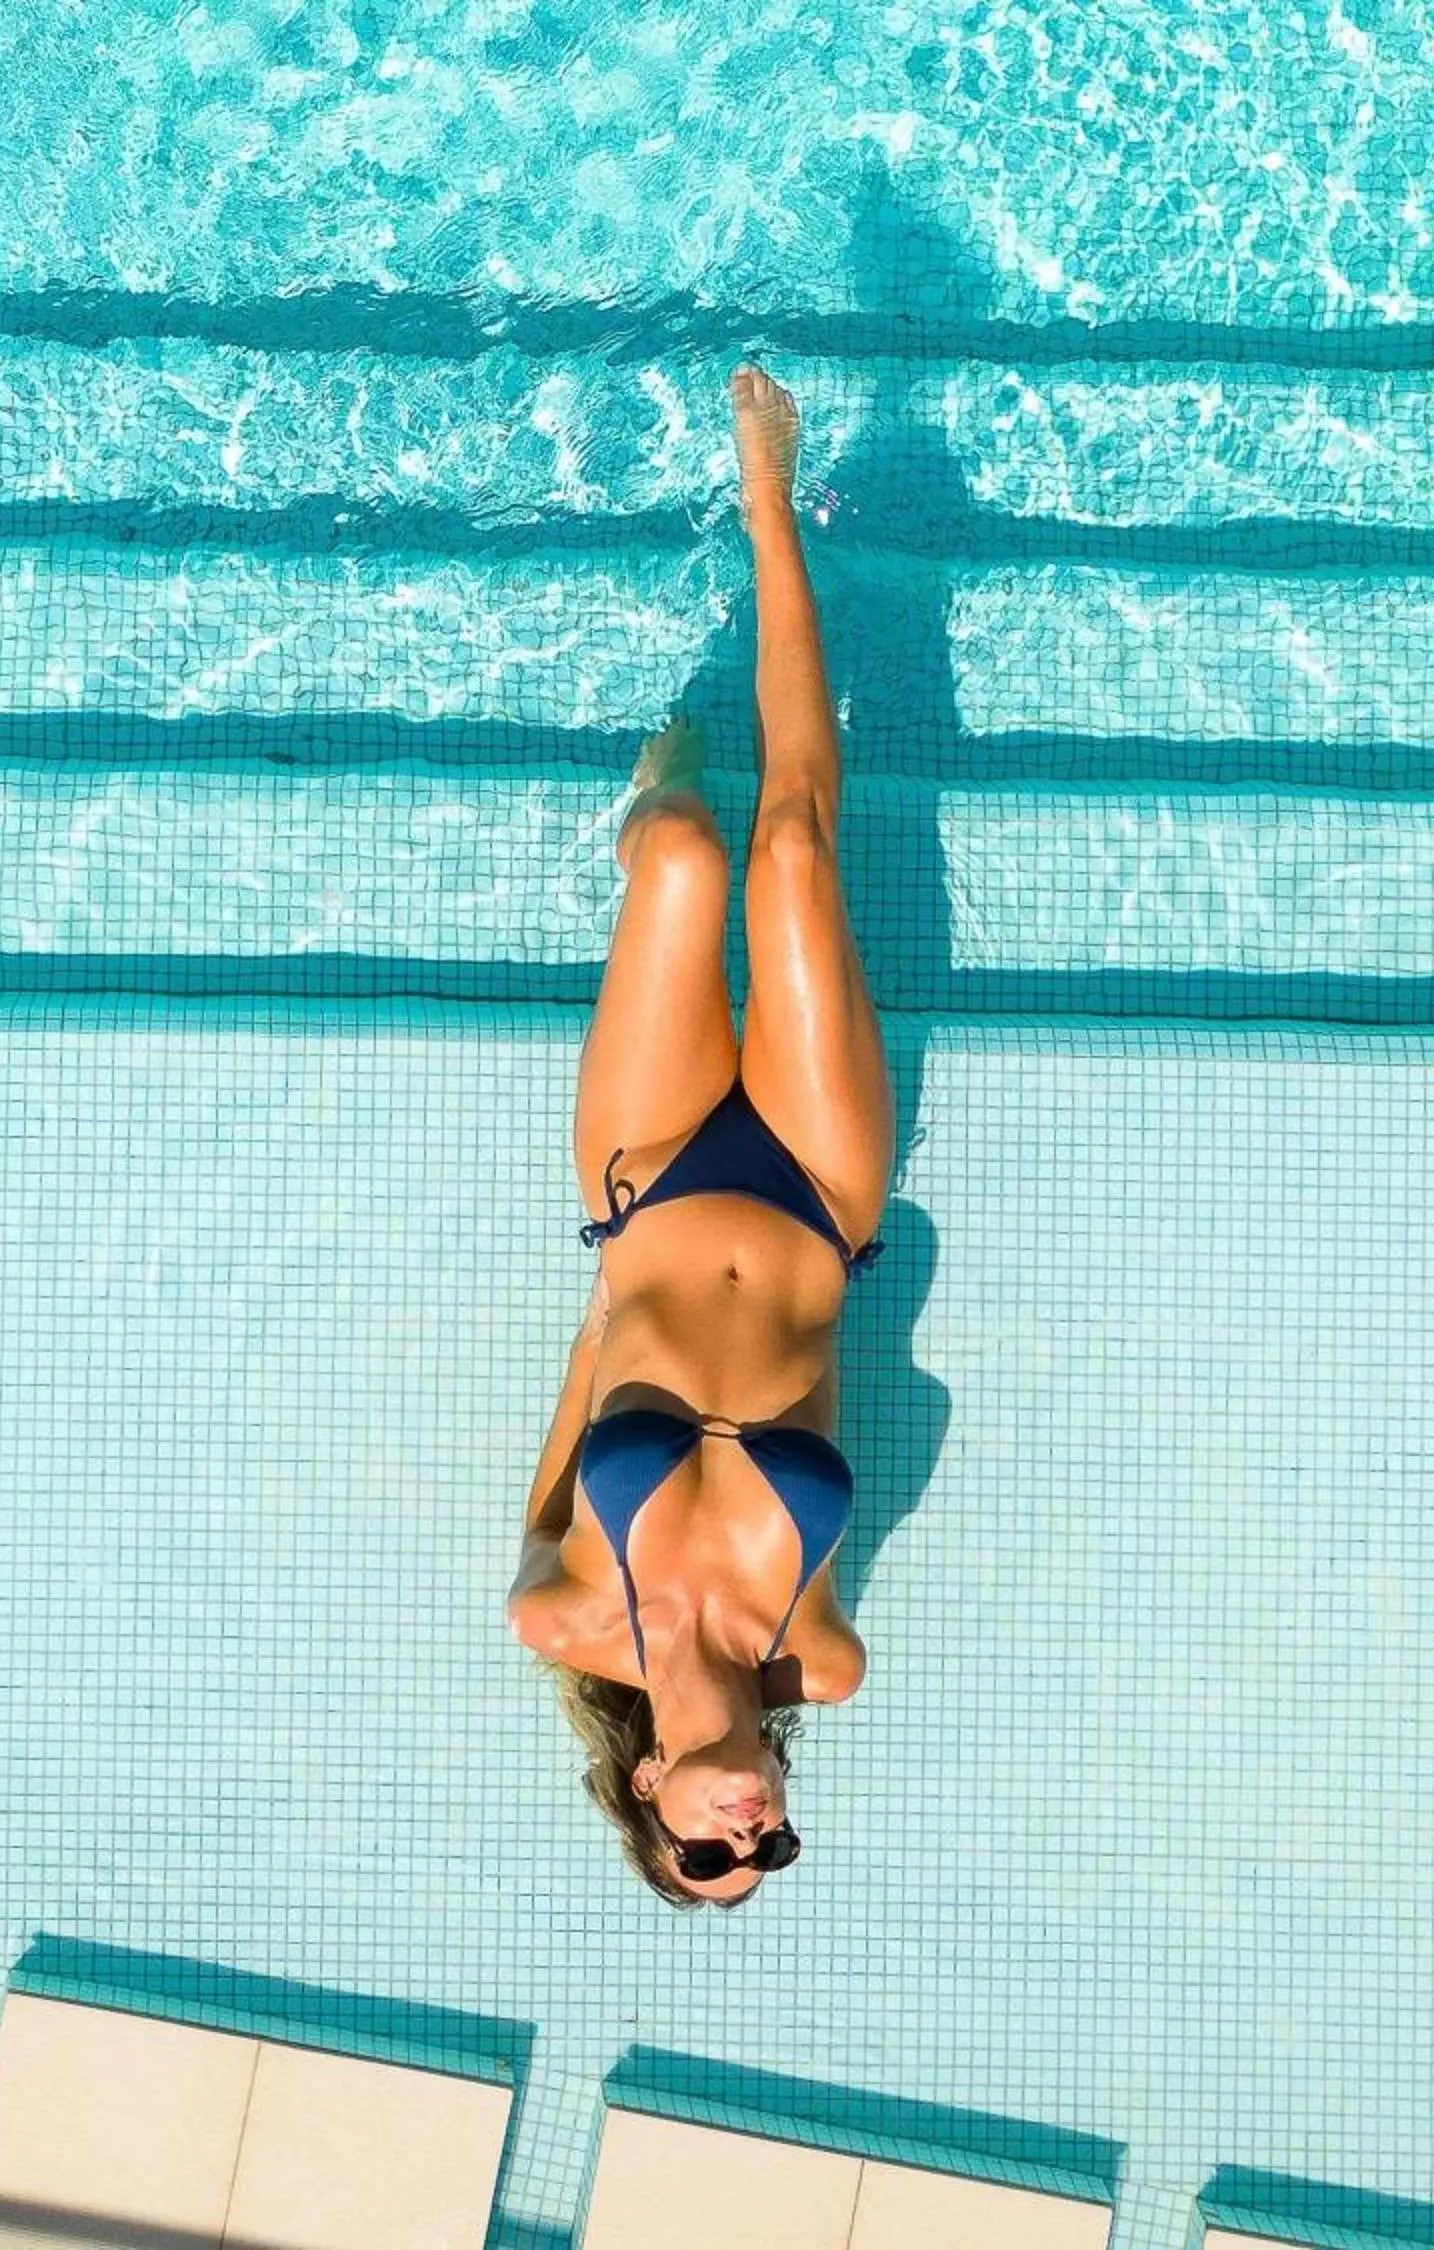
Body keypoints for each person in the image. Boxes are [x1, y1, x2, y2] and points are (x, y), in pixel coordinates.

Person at [508, 365, 897, 1908]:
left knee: (682, 852)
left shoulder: (567, 1615)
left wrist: (611, 1290)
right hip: (813, 1195)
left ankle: (649, 792)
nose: (745, 1825)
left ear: (651, 1793)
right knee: (792, 846)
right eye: (769, 1848)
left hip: (651, 1185)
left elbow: (555, 1447)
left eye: (704, 1848)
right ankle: (768, 501)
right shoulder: (824, 1649)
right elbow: (839, 1392)